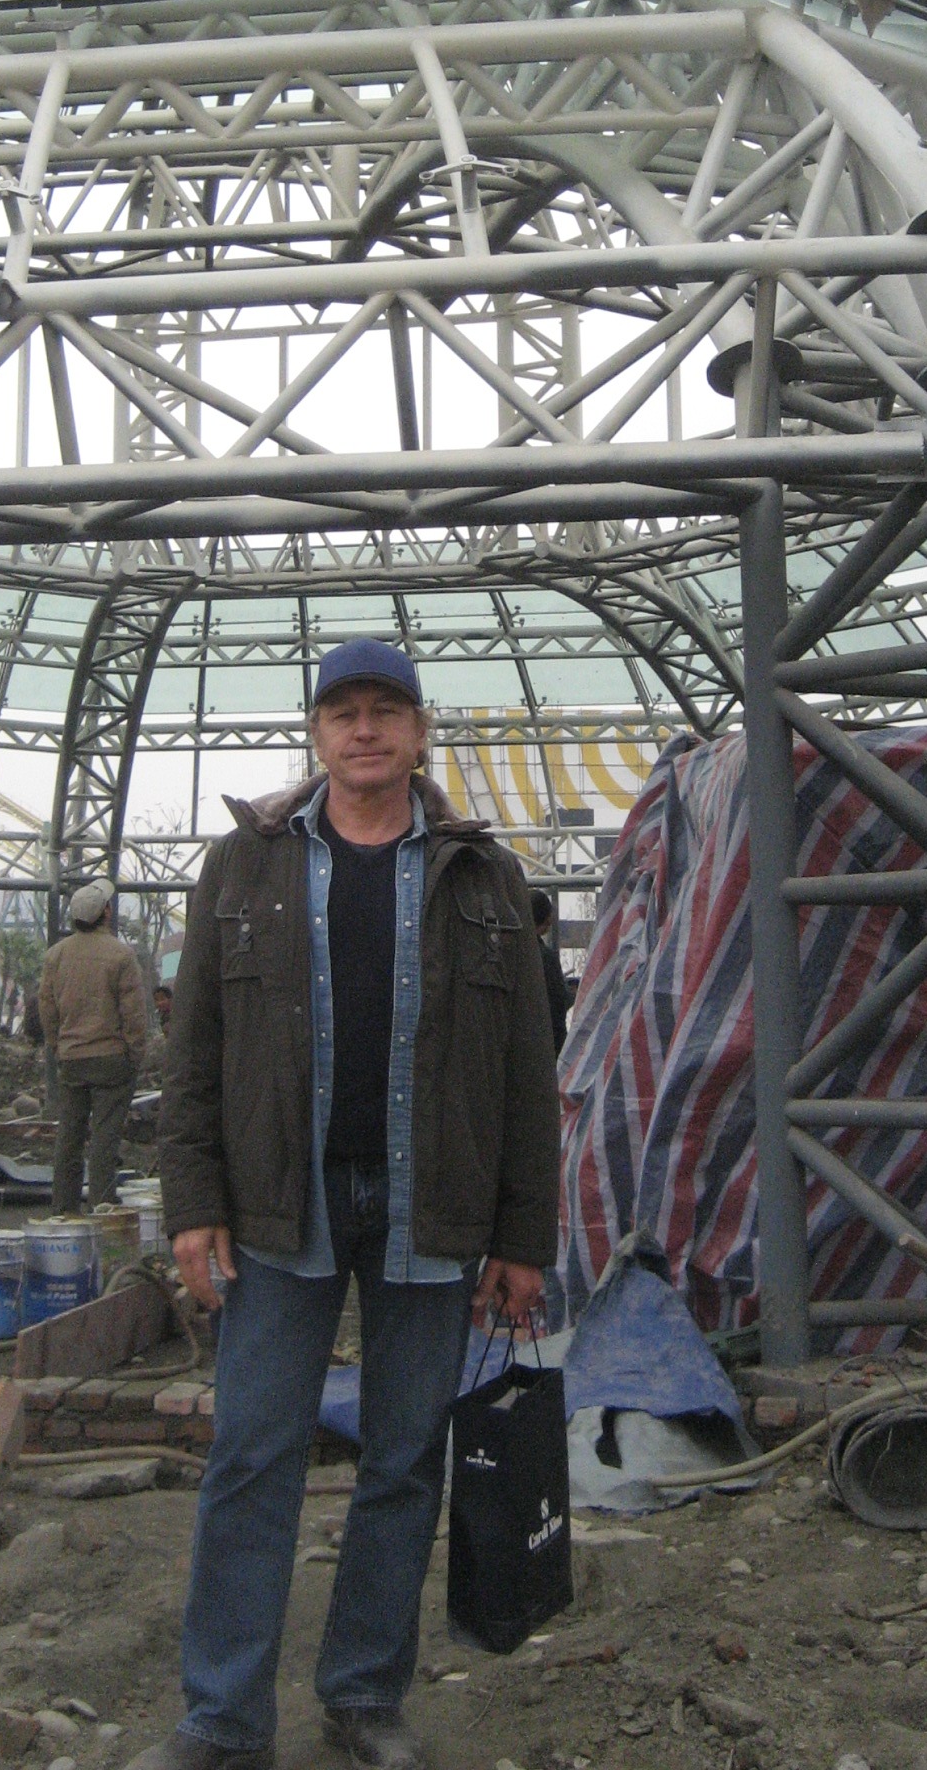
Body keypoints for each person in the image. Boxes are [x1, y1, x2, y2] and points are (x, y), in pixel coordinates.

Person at [131, 638, 558, 1770]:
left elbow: (527, 1070)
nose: (364, 730)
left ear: (420, 733)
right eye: (343, 712)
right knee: (251, 1455)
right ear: (317, 734)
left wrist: (524, 1236)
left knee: (405, 1460)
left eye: (386, 711)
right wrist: (192, 1203)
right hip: (282, 1205)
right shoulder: (246, 864)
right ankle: (222, 1719)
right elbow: (194, 1054)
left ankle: (364, 1696)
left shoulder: (484, 876)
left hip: (433, 1205)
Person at [41, 881, 149, 1214]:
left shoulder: (56, 955)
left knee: (69, 1137)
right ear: (106, 912)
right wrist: (134, 1054)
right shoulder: (121, 955)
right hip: (111, 1059)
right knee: (105, 1138)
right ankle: (102, 1208)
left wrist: (57, 1046)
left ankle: (63, 1210)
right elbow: (134, 1014)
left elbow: (47, 1008)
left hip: (72, 1059)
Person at [530, 887, 573, 1056]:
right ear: (547, 920)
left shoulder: (505, 953)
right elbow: (557, 1002)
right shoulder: (546, 957)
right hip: (546, 1046)